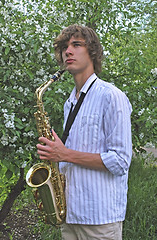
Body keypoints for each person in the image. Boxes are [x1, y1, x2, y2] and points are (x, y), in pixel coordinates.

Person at [37, 24, 132, 240]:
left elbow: (120, 161)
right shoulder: (69, 103)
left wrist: (64, 154)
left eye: (76, 44)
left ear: (93, 51)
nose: (67, 51)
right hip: (71, 216)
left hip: (100, 220)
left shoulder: (111, 96)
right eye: (64, 47)